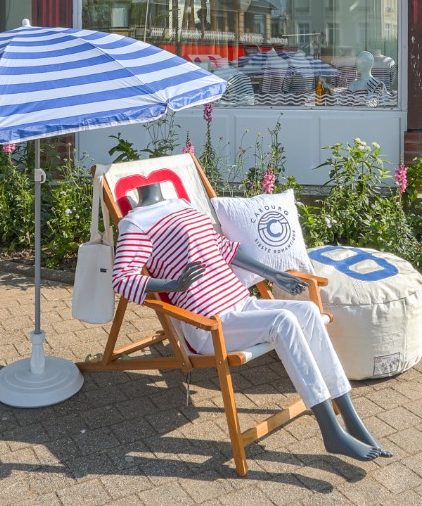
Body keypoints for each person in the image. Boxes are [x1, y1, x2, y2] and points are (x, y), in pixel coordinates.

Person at [112, 182, 390, 462]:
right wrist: (174, 284)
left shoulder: (183, 205)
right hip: (209, 324)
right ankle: (331, 431)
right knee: (282, 321)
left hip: (240, 304)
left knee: (305, 312)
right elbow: (122, 278)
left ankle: (351, 420)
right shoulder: (135, 223)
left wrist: (274, 273)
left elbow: (224, 248)